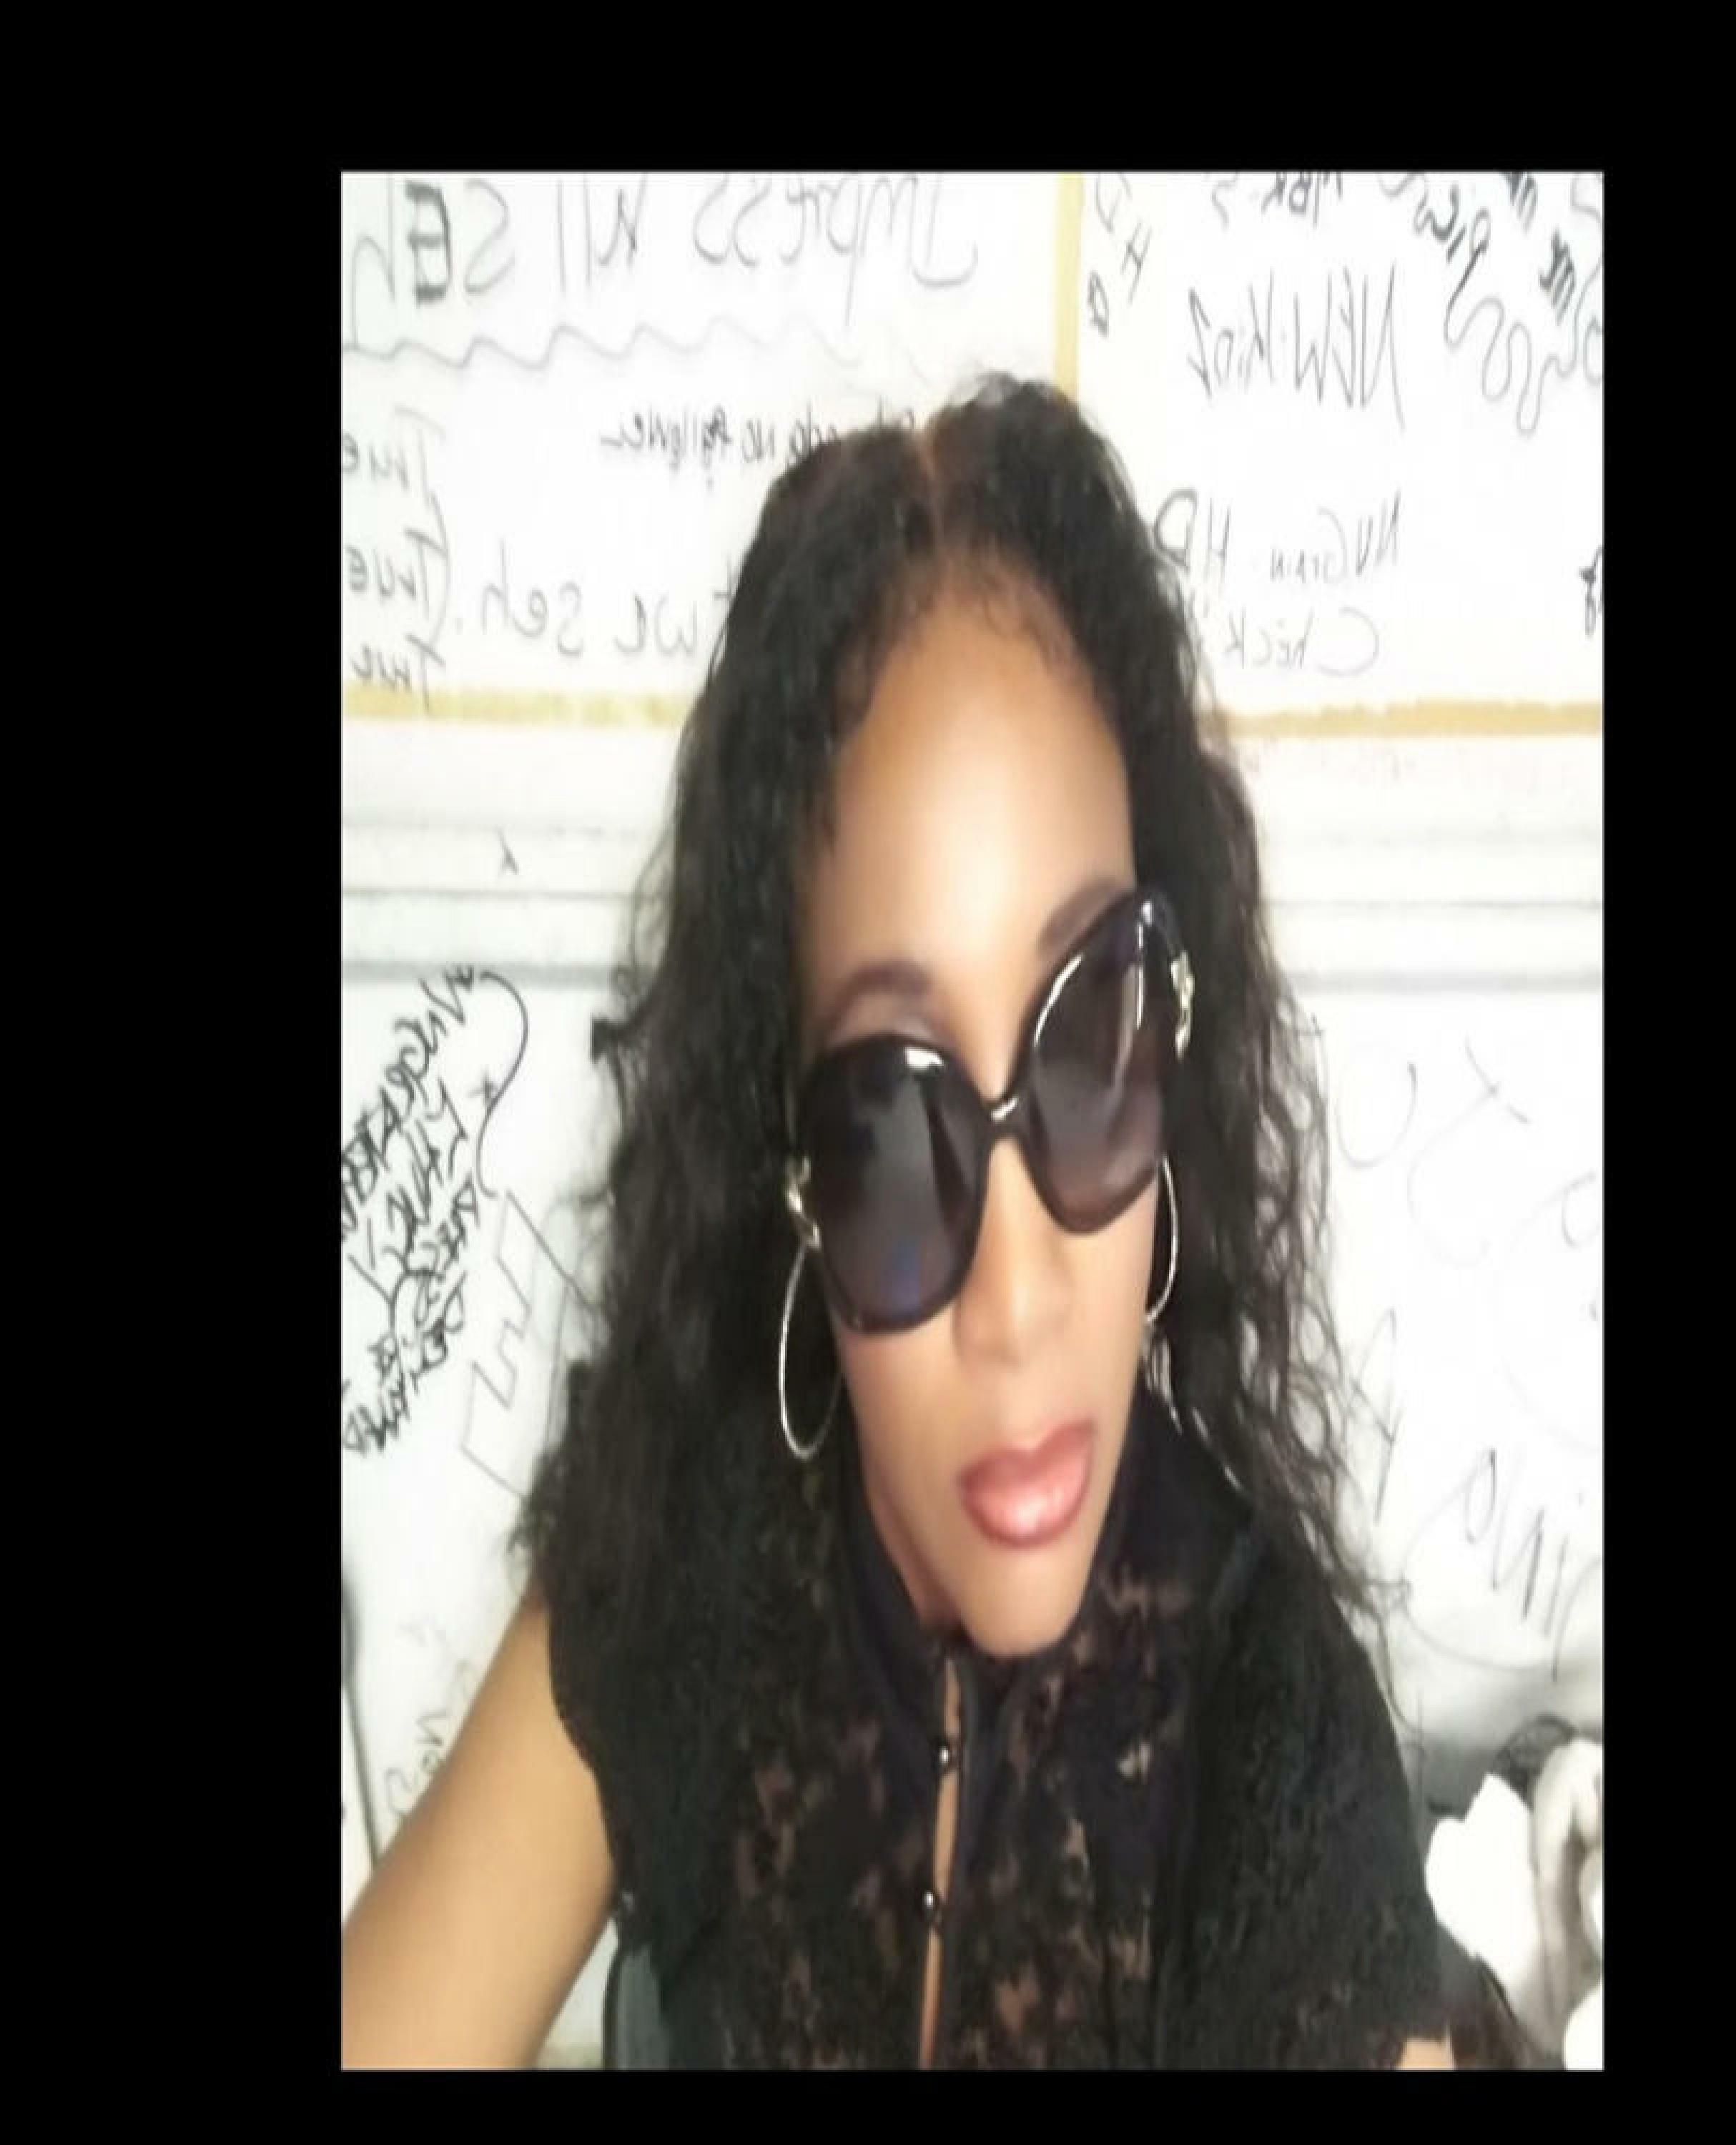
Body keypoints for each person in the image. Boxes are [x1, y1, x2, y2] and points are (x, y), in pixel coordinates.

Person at [340, 376, 1501, 2069]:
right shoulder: (686, 1555)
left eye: (1092, 1048)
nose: (1018, 1298)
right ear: (793, 1177)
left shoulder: (1281, 1773)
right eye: (891, 1130)